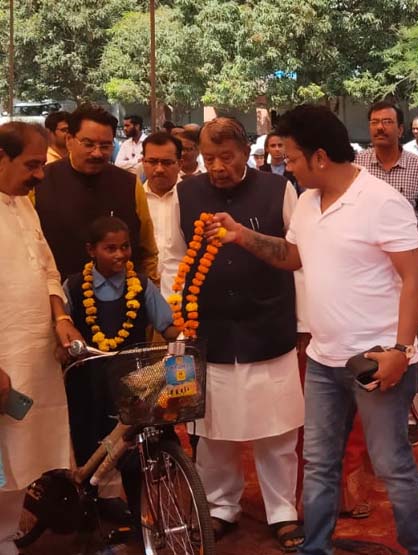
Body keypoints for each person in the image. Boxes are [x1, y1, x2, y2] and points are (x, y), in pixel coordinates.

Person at [209, 103, 418, 555]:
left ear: (319, 156)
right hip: (323, 359)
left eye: (292, 157)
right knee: (318, 463)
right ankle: (315, 548)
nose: (287, 164)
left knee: (392, 465)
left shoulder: (381, 202)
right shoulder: (308, 202)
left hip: (378, 360)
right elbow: (292, 256)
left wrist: (400, 350)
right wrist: (242, 236)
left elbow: (415, 278)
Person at [161, 117, 305, 552]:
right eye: (209, 158)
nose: (218, 167)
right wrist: (175, 315)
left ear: (246, 152)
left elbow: (300, 257)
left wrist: (303, 323)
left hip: (269, 324)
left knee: (276, 430)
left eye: (227, 157)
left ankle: (282, 510)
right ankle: (221, 506)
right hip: (209, 327)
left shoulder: (279, 189)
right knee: (213, 429)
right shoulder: (186, 192)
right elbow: (173, 257)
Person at [62, 215, 180, 535]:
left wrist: (185, 335)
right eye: (110, 248)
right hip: (87, 383)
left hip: (131, 382)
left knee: (132, 449)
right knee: (88, 444)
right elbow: (63, 330)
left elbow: (167, 325)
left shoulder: (141, 285)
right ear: (91, 250)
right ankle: (89, 515)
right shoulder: (74, 287)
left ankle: (140, 518)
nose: (120, 255)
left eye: (125, 247)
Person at [0, 122, 76, 555]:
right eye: (31, 165)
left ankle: (6, 537)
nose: (40, 174)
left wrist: (60, 316)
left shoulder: (24, 205)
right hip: (3, 358)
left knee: (23, 453)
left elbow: (47, 267)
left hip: (34, 357)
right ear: (1, 159)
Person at [35, 104, 159, 280]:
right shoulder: (41, 182)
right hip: (58, 291)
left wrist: (150, 287)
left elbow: (148, 250)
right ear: (69, 140)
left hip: (125, 292)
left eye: (105, 146)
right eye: (88, 144)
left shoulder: (129, 184)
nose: (97, 153)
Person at [357, 102, 418, 263]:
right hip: (367, 261)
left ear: (400, 130)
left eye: (387, 122)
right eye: (374, 122)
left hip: (409, 258)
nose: (380, 127)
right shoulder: (356, 165)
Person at [141, 132, 183, 298]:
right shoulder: (132, 199)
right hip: (141, 292)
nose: (159, 169)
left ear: (179, 163)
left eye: (166, 163)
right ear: (143, 162)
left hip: (184, 292)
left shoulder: (192, 198)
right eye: (152, 162)